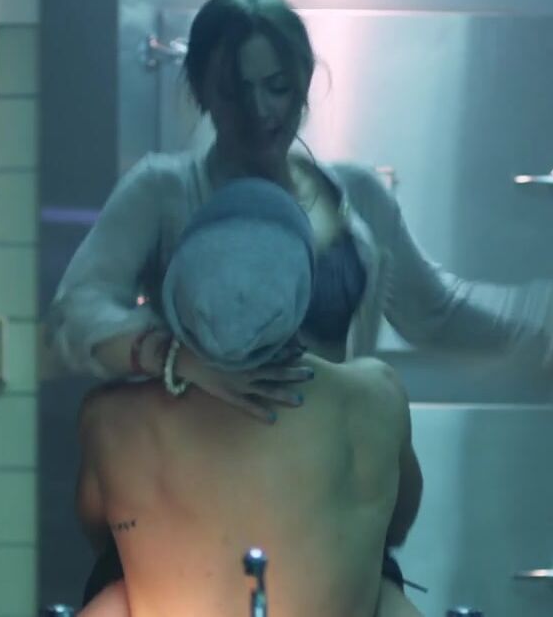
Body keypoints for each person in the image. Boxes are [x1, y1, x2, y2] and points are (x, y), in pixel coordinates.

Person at [47, 0, 553, 424]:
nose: (260, 110)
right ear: (202, 92)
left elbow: (434, 313)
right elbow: (75, 312)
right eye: (235, 90)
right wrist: (177, 357)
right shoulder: (162, 190)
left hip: (333, 473)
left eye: (277, 86)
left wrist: (551, 324)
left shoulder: (357, 194)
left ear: (304, 81)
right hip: (205, 477)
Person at [74, 178, 424, 617]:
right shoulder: (376, 398)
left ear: (179, 286)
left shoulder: (111, 419)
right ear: (303, 288)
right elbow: (395, 526)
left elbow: (103, 537)